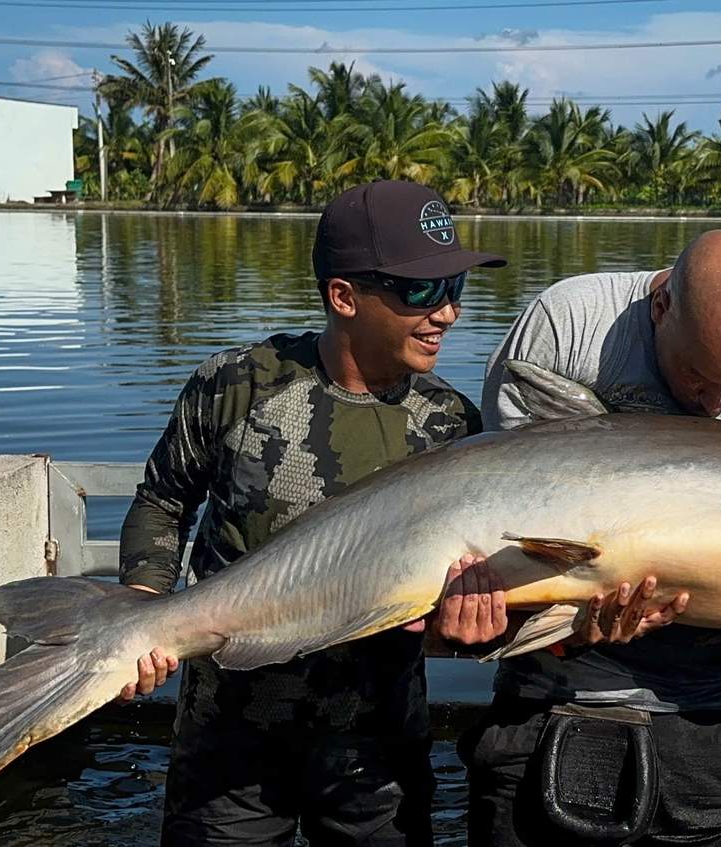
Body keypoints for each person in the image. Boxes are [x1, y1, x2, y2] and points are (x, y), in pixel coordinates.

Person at [114, 179, 506, 846]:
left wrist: (478, 628)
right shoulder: (236, 385)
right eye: (420, 290)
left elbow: (472, 586)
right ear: (344, 296)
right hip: (226, 744)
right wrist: (139, 608)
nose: (447, 312)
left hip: (376, 756)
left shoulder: (451, 426)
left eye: (454, 289)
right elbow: (163, 497)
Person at [461, 229, 721, 847]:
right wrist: (576, 626)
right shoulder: (572, 327)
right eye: (699, 376)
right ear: (660, 305)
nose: (715, 401)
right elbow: (512, 514)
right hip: (562, 690)